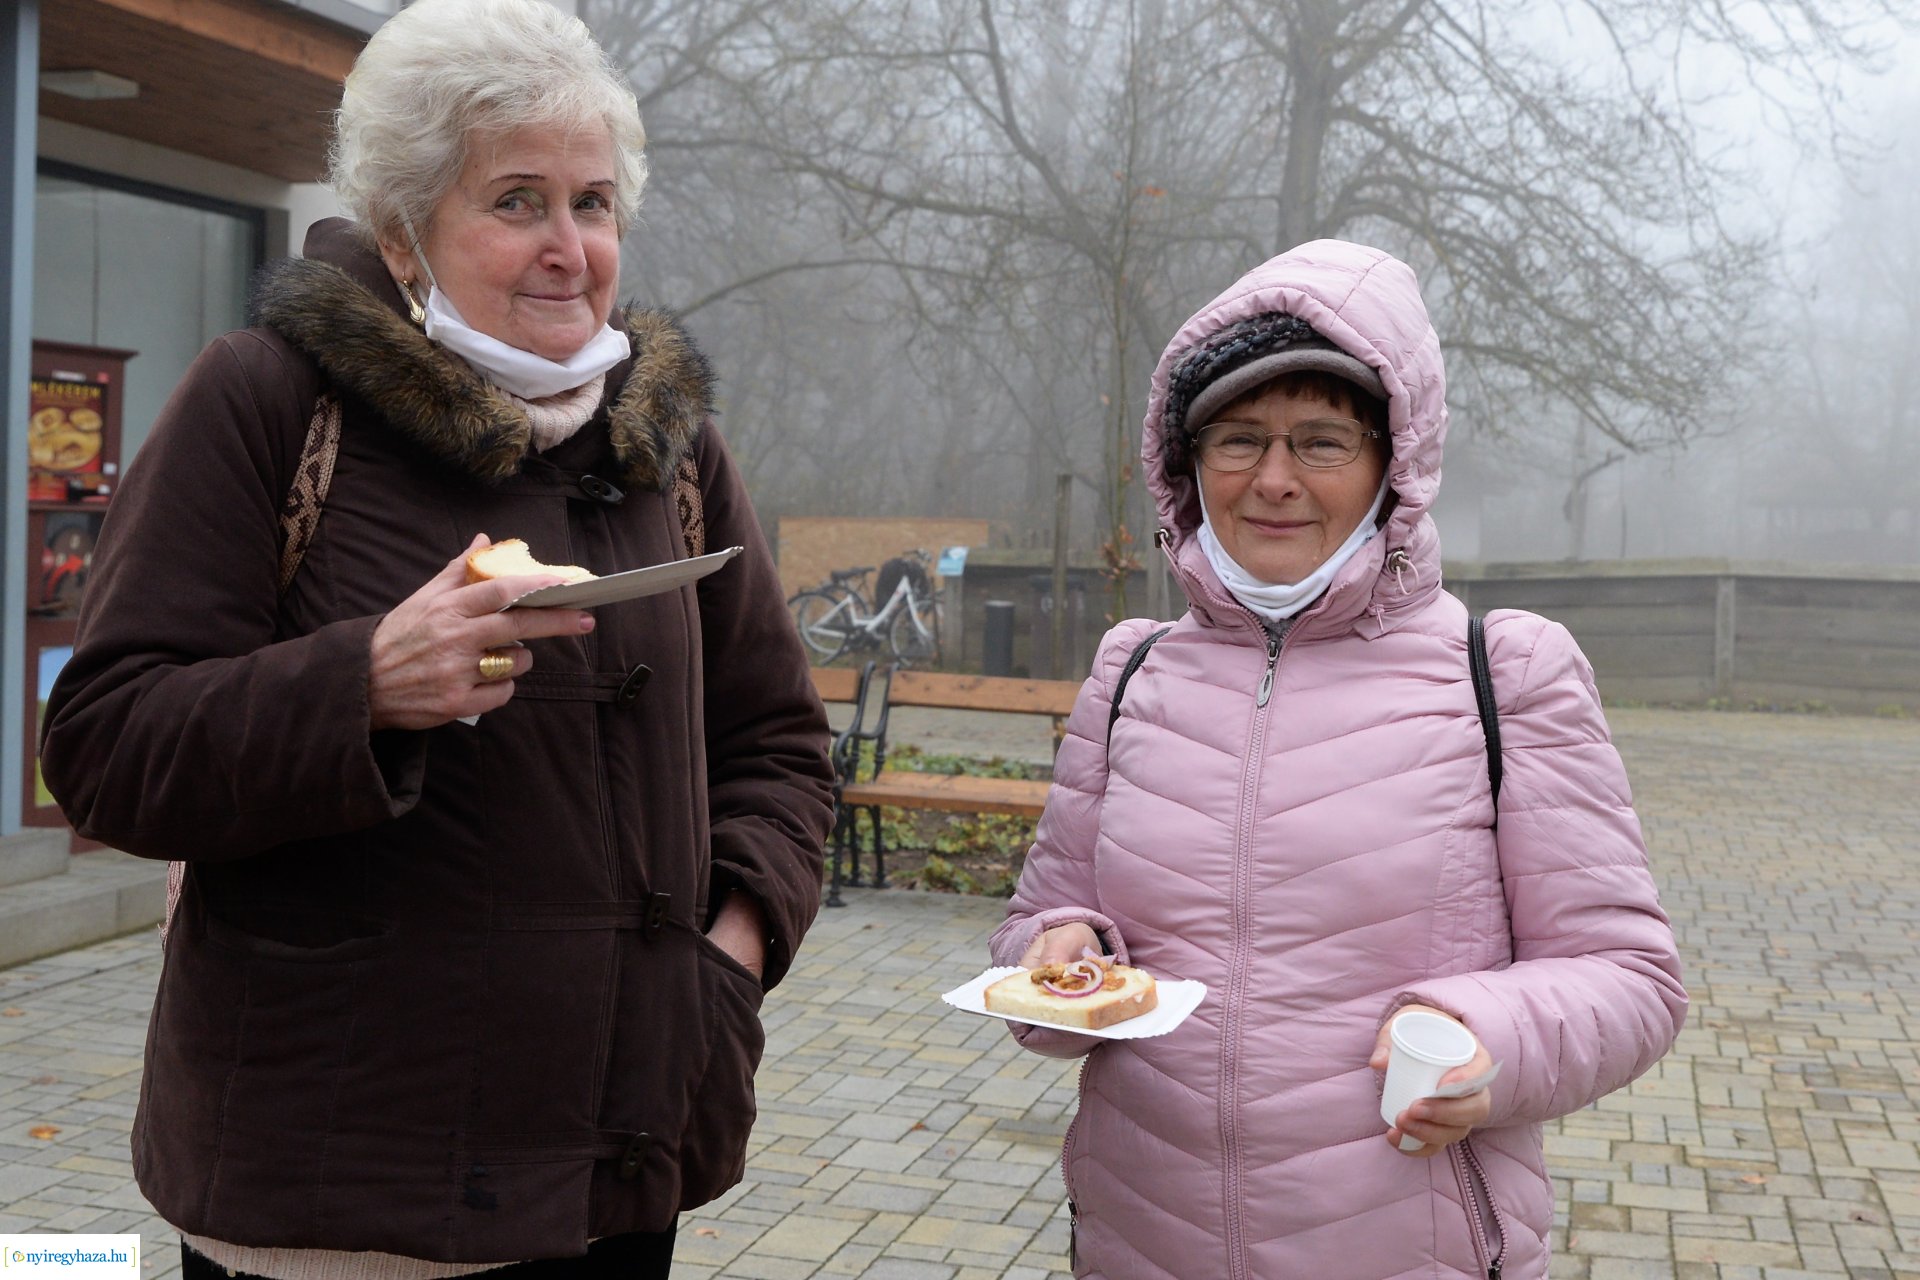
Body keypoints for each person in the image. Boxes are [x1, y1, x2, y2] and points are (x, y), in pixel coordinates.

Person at [39, 2, 834, 1276]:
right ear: (406, 227)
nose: (570, 248)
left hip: (612, 1172)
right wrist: (358, 684)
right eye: (517, 200)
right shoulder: (267, 399)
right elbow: (103, 743)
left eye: (594, 202)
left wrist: (728, 950)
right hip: (340, 1198)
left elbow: (781, 744)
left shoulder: (665, 440)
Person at [990, 240, 1687, 1279]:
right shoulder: (1131, 669)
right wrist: (1058, 952)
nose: (1273, 479)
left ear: (1390, 462)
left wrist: (1483, 1033)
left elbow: (1634, 979)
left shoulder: (1505, 670)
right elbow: (1041, 931)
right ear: (1188, 464)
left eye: (1320, 440)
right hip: (1144, 1241)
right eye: (1237, 439)